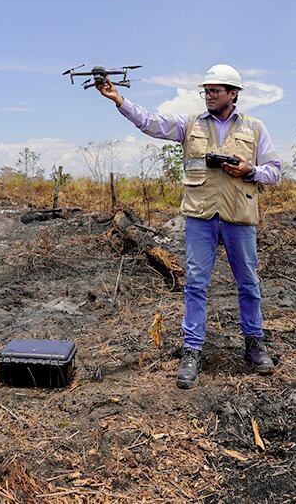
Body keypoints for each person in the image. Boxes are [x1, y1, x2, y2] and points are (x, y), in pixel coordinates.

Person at [96, 64, 282, 389]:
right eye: (206, 91)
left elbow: (275, 172)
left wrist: (250, 170)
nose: (208, 95)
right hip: (200, 218)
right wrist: (119, 100)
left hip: (239, 218)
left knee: (248, 283)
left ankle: (254, 344)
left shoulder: (254, 128)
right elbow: (151, 123)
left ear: (233, 94)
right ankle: (192, 350)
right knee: (195, 285)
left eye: (215, 91)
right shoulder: (190, 124)